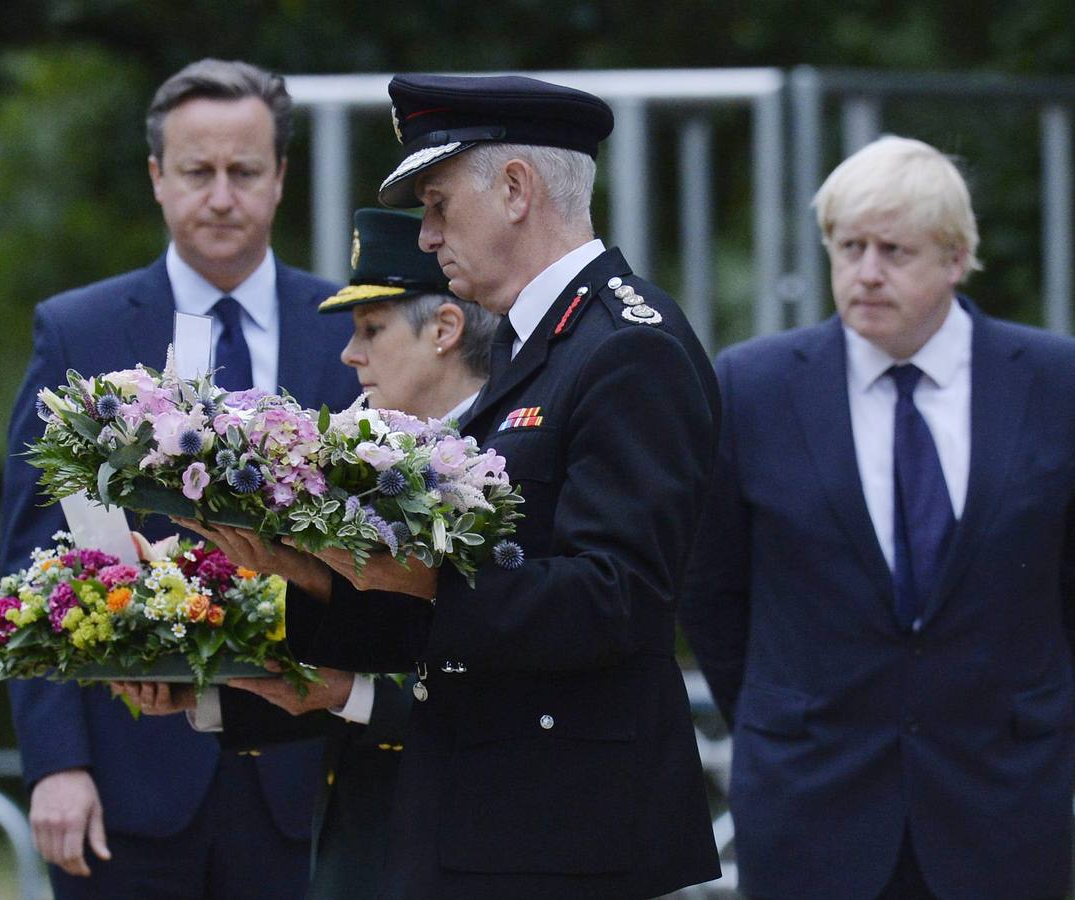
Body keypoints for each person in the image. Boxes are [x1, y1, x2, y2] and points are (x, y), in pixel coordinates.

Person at [192, 73, 723, 899]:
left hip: (563, 833)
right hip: (489, 817)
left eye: (439, 204)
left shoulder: (624, 346)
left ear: (515, 189)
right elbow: (455, 607)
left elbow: (617, 597)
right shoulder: (539, 342)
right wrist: (309, 573)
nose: (429, 236)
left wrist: (423, 579)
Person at [678, 135, 1075, 900]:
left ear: (955, 259)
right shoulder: (752, 386)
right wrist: (787, 710)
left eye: (893, 250)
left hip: (997, 795)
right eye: (847, 246)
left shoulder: (1060, 384)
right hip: (811, 798)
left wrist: (1012, 698)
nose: (864, 274)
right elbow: (710, 585)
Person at [0, 58, 358, 899]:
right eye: (198, 172)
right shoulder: (78, 331)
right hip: (125, 785)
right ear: (158, 178)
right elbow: (31, 554)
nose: (222, 196)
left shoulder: (353, 329)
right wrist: (56, 764)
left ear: (280, 179)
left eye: (245, 171)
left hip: (308, 781)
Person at [123, 205, 499, 899]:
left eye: (371, 330)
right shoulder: (370, 461)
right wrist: (198, 692)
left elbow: (489, 675)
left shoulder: (501, 465)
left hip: (471, 835)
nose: (349, 354)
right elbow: (358, 643)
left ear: (445, 329)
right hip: (367, 825)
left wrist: (348, 691)